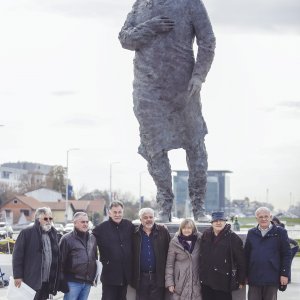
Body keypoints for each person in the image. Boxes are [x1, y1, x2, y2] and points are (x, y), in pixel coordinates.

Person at [119, 0, 216, 222]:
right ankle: (165, 205)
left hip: (183, 88)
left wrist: (199, 75)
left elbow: (207, 41)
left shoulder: (190, 3)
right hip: (147, 90)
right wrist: (150, 27)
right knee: (154, 148)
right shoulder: (141, 4)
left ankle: (199, 206)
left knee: (195, 143)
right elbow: (125, 38)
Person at [12, 207, 60, 300]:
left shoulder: (53, 233)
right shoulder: (26, 233)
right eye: (45, 218)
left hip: (48, 280)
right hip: (32, 279)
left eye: (50, 218)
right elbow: (17, 255)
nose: (49, 221)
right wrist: (17, 276)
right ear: (38, 219)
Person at [245, 207, 291, 300]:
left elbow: (286, 254)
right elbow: (246, 255)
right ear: (256, 219)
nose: (263, 219)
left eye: (266, 216)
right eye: (260, 217)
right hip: (254, 277)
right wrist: (244, 275)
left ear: (271, 217)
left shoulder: (280, 232)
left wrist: (285, 274)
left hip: (272, 277)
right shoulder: (251, 233)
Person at [92, 201, 135, 300]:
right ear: (109, 213)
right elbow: (89, 242)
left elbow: (142, 232)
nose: (117, 215)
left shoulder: (129, 226)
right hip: (109, 275)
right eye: (114, 212)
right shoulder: (101, 228)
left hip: (125, 275)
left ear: (123, 212)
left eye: (119, 212)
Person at [199, 211, 246, 300]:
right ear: (212, 223)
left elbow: (241, 261)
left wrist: (241, 280)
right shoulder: (206, 235)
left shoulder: (233, 238)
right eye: (215, 221)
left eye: (221, 220)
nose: (218, 223)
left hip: (223, 281)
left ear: (225, 222)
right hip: (207, 281)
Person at [132, 207, 171, 300]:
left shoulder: (163, 231)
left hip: (158, 277)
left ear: (154, 218)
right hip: (141, 278)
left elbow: (170, 252)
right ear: (140, 219)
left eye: (151, 217)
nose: (148, 219)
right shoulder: (134, 233)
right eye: (145, 217)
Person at [59, 212, 97, 300]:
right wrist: (62, 281)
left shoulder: (92, 238)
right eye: (82, 222)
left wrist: (94, 276)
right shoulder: (66, 239)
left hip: (87, 282)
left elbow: (94, 257)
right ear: (75, 223)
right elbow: (60, 262)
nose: (85, 224)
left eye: (87, 222)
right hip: (72, 282)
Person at [165, 218, 202, 300]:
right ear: (181, 229)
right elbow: (169, 264)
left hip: (196, 281)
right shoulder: (175, 242)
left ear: (193, 229)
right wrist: (170, 283)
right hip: (180, 282)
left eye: (189, 228)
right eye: (184, 228)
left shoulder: (199, 240)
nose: (186, 230)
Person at [272, 216, 299, 282]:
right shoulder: (274, 227)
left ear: (277, 222)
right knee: (286, 263)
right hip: (292, 245)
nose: (274, 223)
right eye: (273, 222)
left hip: (293, 247)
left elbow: (285, 240)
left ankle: (288, 279)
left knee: (287, 263)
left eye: (275, 222)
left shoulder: (280, 228)